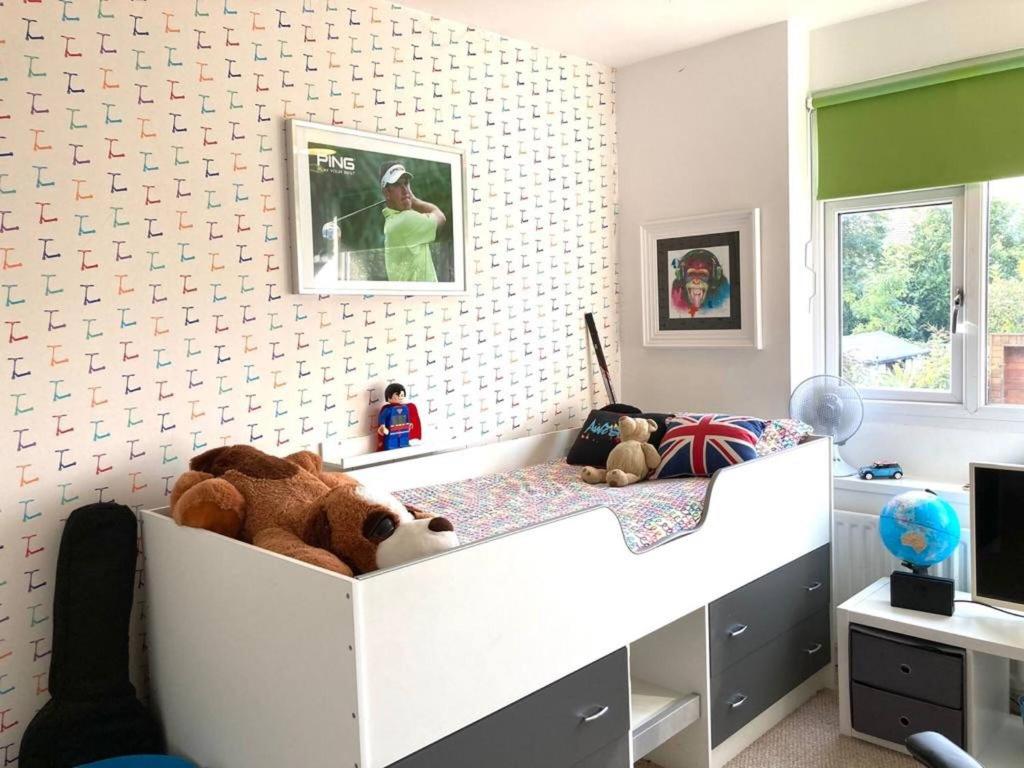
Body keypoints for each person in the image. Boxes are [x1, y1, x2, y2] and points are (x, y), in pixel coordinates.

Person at [379, 161, 446, 282]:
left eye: (406, 184)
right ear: (387, 193)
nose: (405, 190)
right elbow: (440, 217)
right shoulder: (405, 220)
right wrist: (414, 200)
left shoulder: (393, 221)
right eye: (398, 185)